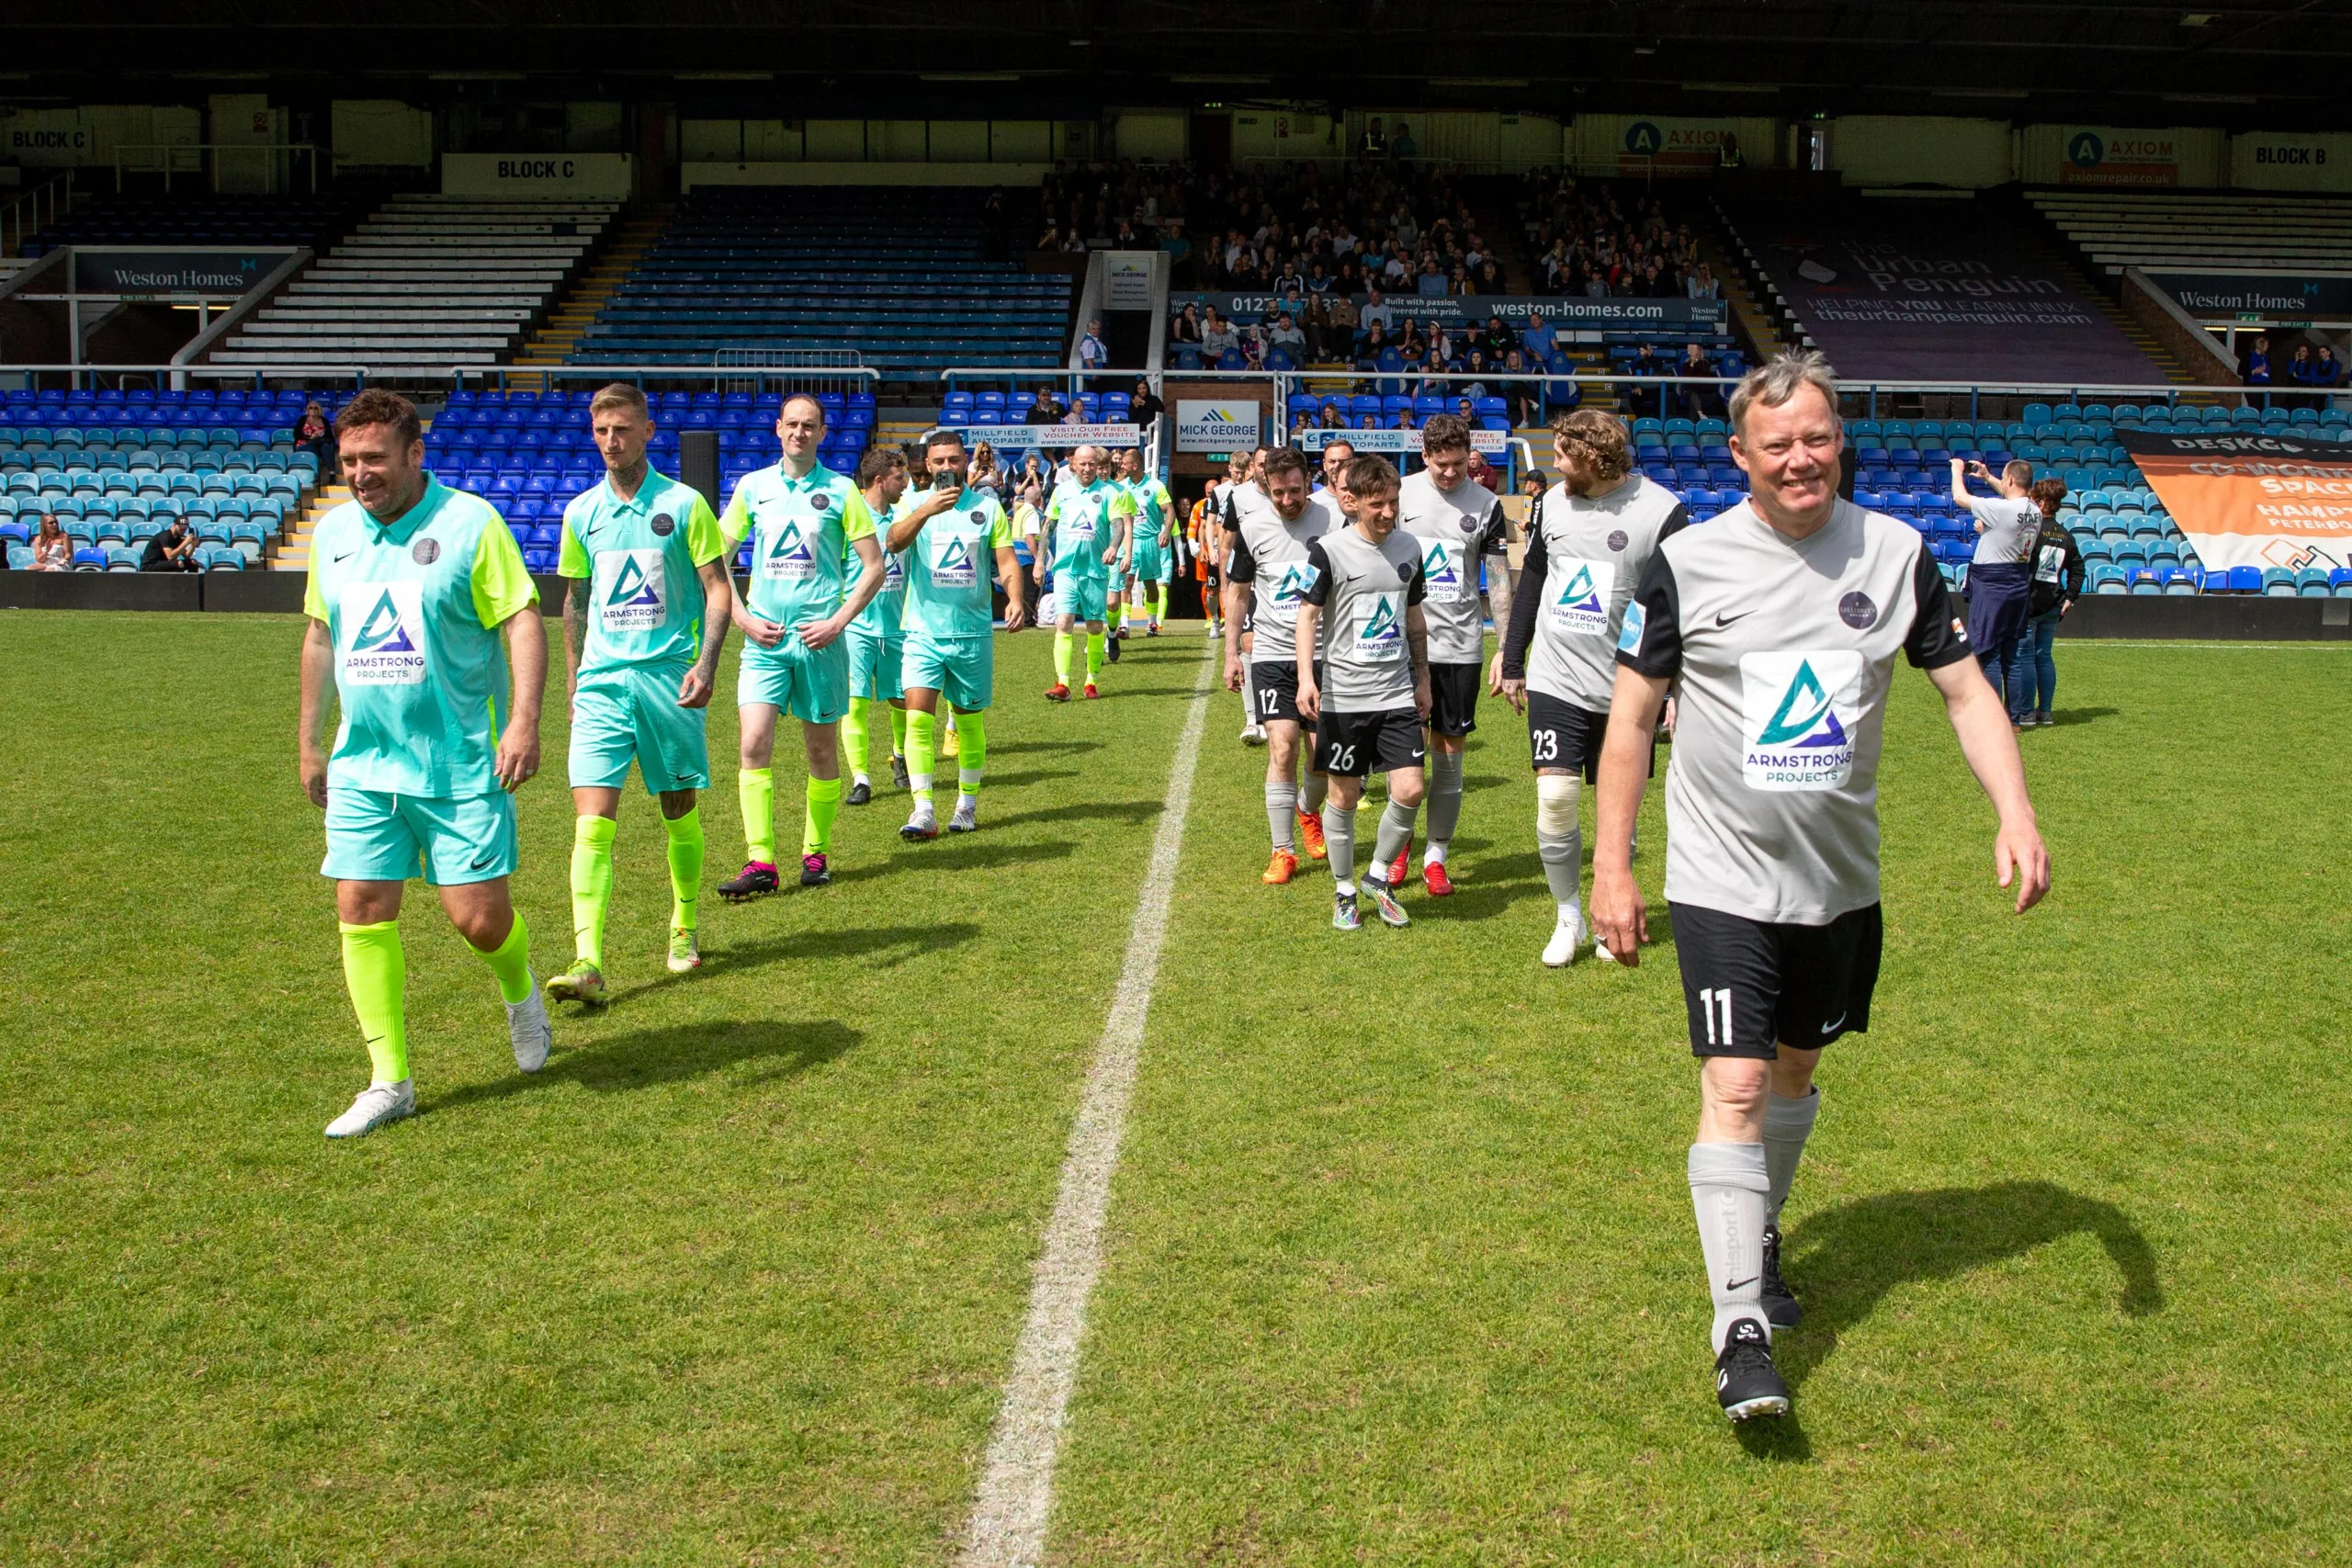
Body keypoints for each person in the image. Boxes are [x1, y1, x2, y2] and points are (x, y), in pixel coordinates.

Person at [1591, 351, 2049, 1423]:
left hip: (1839, 883)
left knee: (1794, 1073)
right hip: (1717, 878)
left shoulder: (1894, 552)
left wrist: (2015, 811)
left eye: (1817, 438)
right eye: (1777, 444)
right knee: (1737, 1084)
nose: (1800, 460)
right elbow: (1626, 724)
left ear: (1838, 440)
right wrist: (1615, 868)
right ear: (1738, 456)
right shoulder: (1685, 562)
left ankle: (1753, 1230)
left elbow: (1966, 693)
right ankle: (1737, 1328)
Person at [296, 388, 549, 1138]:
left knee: (477, 920)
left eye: (374, 457)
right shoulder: (333, 531)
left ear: (415, 453)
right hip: (365, 766)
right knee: (361, 907)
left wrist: (526, 723)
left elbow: (522, 619)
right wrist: (311, 738)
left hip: (459, 762)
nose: (360, 473)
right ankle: (389, 1080)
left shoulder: (471, 523)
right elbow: (319, 635)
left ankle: (520, 993)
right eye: (347, 460)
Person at [546, 384, 735, 1003]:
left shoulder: (684, 506)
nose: (611, 441)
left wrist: (706, 665)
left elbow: (717, 590)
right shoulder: (581, 513)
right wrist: (574, 678)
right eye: (601, 431)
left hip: (667, 681)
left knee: (677, 807)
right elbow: (574, 600)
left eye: (622, 429)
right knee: (592, 823)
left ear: (648, 430)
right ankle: (586, 958)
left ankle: (684, 925)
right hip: (602, 687)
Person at [1497, 409, 1690, 965]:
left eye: (1561, 454)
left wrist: (1675, 690)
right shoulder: (1550, 503)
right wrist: (1513, 660)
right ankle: (1569, 917)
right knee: (1555, 800)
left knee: (1616, 810)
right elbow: (1533, 577)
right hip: (1556, 678)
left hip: (1632, 689)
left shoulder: (1662, 513)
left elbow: (1681, 609)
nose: (1552, 464)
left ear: (1592, 456)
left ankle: (1615, 912)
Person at [712, 392, 887, 899]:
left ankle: (815, 852)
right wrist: (741, 615)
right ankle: (760, 861)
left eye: (810, 425)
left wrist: (837, 621)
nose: (800, 433)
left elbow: (873, 567)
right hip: (764, 640)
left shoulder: (841, 491)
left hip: (820, 642)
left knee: (819, 749)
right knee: (752, 745)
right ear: (777, 428)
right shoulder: (753, 487)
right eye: (792, 424)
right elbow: (715, 553)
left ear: (823, 433)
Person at [1295, 454, 1430, 931]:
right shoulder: (1327, 551)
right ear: (1352, 502)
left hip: (1396, 692)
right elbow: (1308, 615)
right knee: (1345, 797)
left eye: (1394, 502)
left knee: (1412, 788)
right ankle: (1345, 890)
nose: (1389, 513)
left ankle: (1377, 877)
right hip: (1345, 695)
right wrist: (1308, 678)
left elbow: (1414, 617)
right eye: (1378, 504)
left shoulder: (1410, 547)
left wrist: (1424, 677)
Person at [1392, 414, 1514, 897]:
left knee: (1449, 754)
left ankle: (1436, 856)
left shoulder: (1486, 504)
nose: (1449, 473)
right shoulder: (1400, 495)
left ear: (1471, 456)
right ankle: (1398, 845)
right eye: (1441, 464)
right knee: (1405, 757)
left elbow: (1499, 579)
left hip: (1460, 646)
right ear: (1425, 457)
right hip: (1400, 644)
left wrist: (1506, 646)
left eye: (1459, 464)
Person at [888, 429, 1028, 840]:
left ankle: (966, 804)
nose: (946, 467)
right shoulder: (913, 503)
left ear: (964, 461)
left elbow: (1006, 561)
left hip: (971, 635)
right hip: (921, 632)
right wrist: (926, 511)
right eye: (938, 461)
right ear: (927, 466)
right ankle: (923, 809)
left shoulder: (987, 508)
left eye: (953, 460)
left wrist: (1015, 599)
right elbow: (893, 542)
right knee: (917, 719)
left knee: (968, 723)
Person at [1225, 446, 1345, 885]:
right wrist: (1232, 653)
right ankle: (1283, 850)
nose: (1287, 500)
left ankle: (1307, 810)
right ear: (1265, 487)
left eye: (1295, 490)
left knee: (1322, 760)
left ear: (1308, 480)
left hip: (1326, 654)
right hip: (1274, 653)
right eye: (1278, 493)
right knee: (1282, 747)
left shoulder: (1335, 521)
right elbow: (1237, 593)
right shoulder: (1252, 528)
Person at [841, 447, 915, 805]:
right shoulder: (849, 518)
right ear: (879, 480)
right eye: (900, 478)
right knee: (855, 705)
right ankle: (861, 779)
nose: (906, 483)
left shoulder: (905, 520)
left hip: (898, 628)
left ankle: (900, 756)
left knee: (901, 701)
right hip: (855, 629)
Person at [1040, 446, 1136, 700]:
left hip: (1095, 570)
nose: (1087, 468)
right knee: (1063, 622)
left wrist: (1114, 547)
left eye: (1091, 464)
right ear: (1073, 464)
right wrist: (1040, 562)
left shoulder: (1108, 493)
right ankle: (1063, 683)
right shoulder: (1062, 492)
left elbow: (1118, 525)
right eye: (1082, 464)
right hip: (1065, 570)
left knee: (1094, 626)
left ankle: (1091, 681)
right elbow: (1048, 526)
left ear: (1097, 465)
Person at [1950, 456, 2039, 723]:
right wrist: (1988, 478)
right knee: (2011, 655)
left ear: (2010, 479)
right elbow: (2012, 496)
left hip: (1993, 584)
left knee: (1987, 652)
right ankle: (2013, 719)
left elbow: (1960, 498)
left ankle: (1992, 719)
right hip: (2018, 581)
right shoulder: (2033, 510)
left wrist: (1957, 470)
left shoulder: (2002, 510)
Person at [2018, 478, 2086, 728]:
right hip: (2053, 603)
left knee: (2025, 657)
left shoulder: (2032, 531)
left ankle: (2025, 713)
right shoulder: (2065, 535)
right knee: (2044, 657)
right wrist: (2070, 596)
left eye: (2035, 500)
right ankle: (2045, 712)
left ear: (2043, 502)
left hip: (2029, 602)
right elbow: (2078, 569)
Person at [1115, 446, 1175, 635]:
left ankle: (1151, 623)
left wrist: (1166, 531)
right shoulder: (1122, 487)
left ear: (1135, 465)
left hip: (1150, 541)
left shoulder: (1155, 486)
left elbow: (1169, 510)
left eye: (1125, 463)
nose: (1121, 466)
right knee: (1127, 580)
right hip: (1129, 540)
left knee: (1150, 583)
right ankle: (1124, 623)